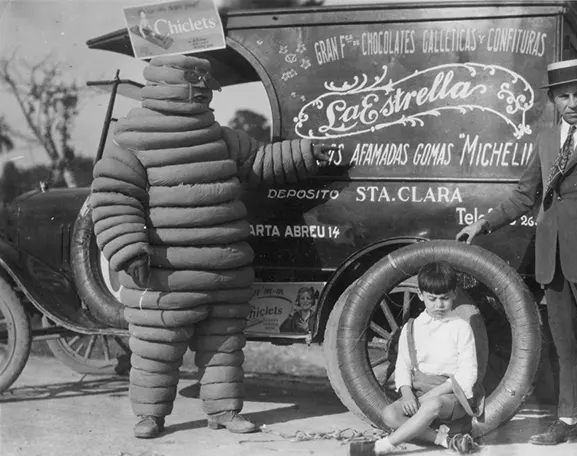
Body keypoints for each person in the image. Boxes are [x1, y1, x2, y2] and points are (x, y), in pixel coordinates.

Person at [90, 54, 330, 439]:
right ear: (173, 89)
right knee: (156, 349)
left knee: (224, 348)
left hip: (225, 271)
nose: (205, 95)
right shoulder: (130, 142)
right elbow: (115, 198)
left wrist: (303, 154)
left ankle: (224, 411)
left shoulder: (220, 136)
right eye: (197, 88)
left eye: (206, 90)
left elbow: (258, 160)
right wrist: (130, 249)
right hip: (166, 275)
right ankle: (150, 415)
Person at [456, 58, 577, 452]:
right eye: (563, 96)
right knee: (563, 343)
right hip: (551, 257)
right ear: (554, 100)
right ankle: (568, 419)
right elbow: (526, 194)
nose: (572, 103)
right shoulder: (544, 139)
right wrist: (484, 224)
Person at [348, 262, 480, 455]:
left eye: (444, 298)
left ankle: (382, 447)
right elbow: (403, 364)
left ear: (454, 294)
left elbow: (468, 373)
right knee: (389, 414)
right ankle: (443, 439)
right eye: (432, 298)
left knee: (432, 405)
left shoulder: (461, 328)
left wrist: (431, 396)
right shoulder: (412, 327)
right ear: (420, 295)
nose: (438, 305)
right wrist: (407, 392)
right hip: (420, 391)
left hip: (452, 395)